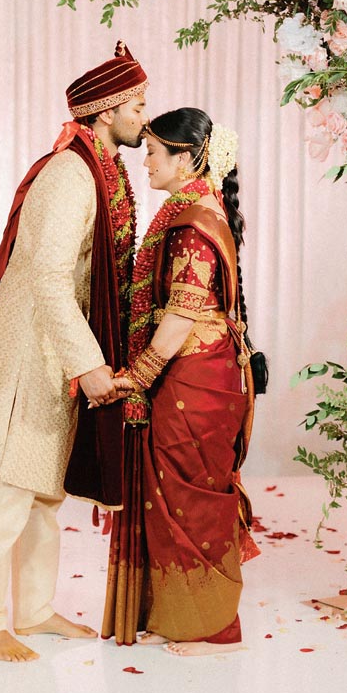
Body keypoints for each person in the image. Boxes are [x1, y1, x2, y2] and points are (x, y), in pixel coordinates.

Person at [0, 41, 149, 662]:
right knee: (14, 488)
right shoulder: (71, 175)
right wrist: (89, 364)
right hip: (36, 354)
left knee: (45, 490)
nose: (144, 118)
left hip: (60, 349)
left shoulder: (102, 167)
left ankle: (36, 610)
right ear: (105, 112)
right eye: (136, 106)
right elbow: (45, 276)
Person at [102, 107, 259, 656]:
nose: (145, 160)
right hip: (197, 373)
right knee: (173, 493)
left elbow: (180, 318)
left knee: (192, 498)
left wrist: (135, 378)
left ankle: (217, 631)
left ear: (188, 157)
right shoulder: (188, 208)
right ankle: (181, 614)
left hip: (195, 376)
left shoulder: (193, 222)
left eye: (154, 151)